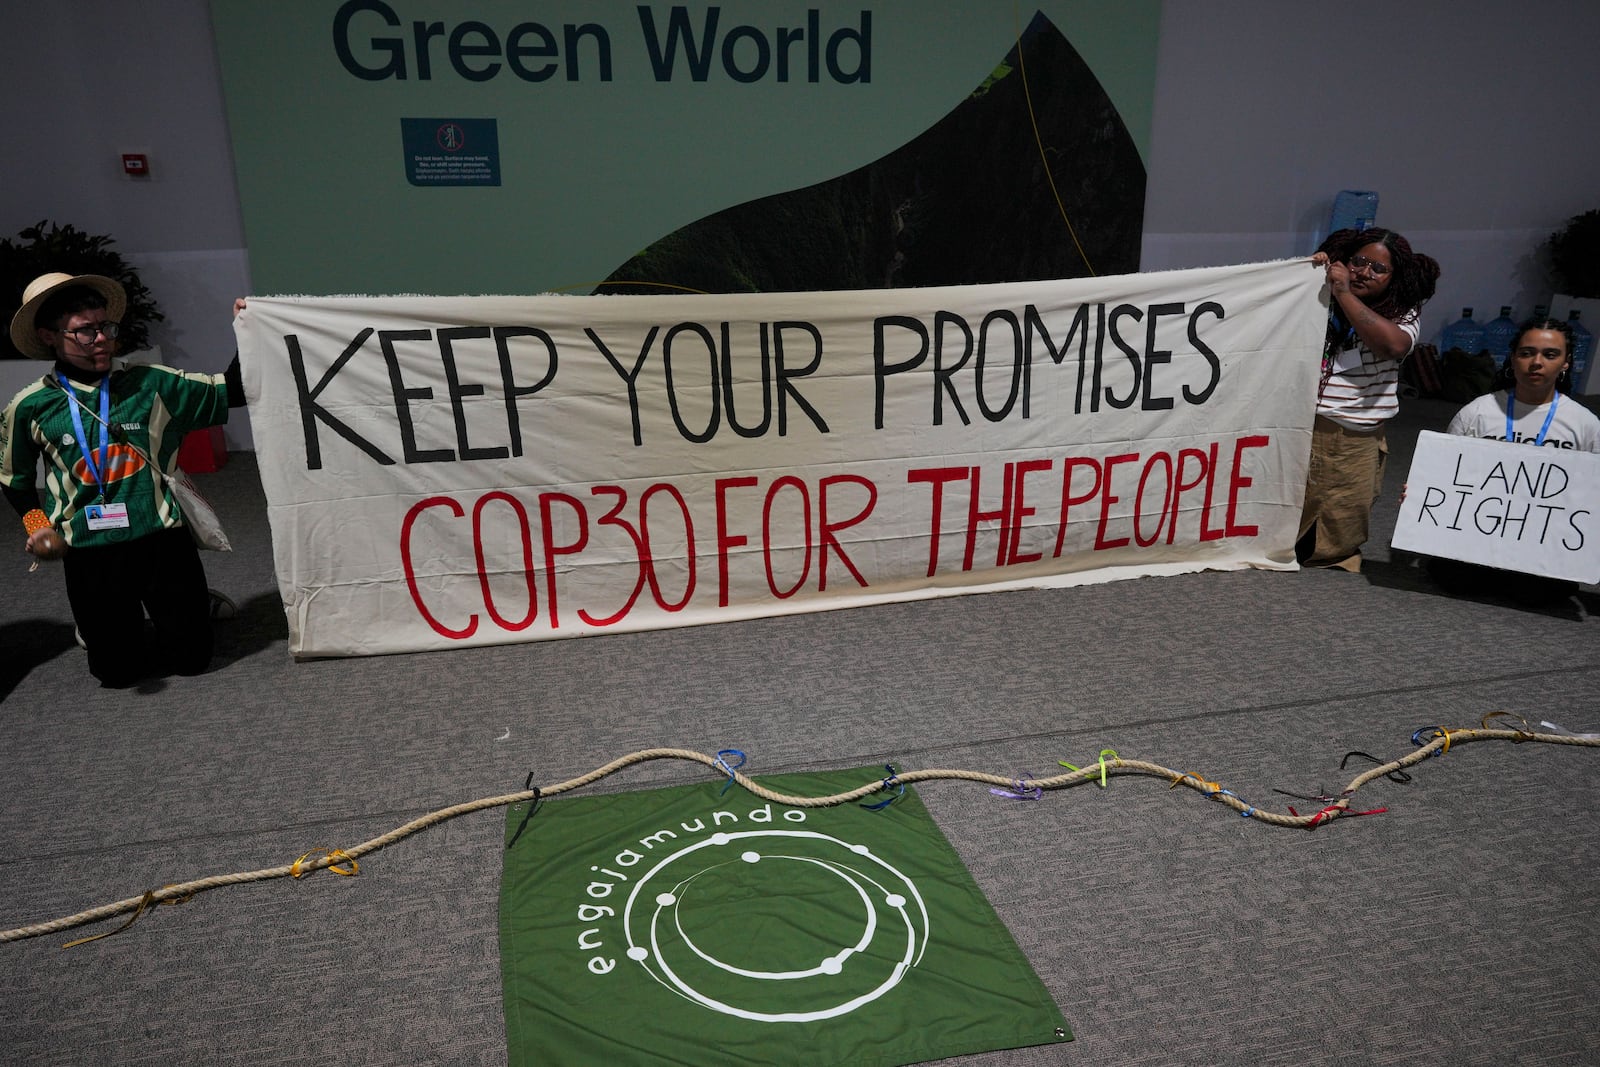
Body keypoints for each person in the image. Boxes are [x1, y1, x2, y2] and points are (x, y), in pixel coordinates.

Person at [2, 272, 246, 687]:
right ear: (49, 335)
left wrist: (247, 331)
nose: (101, 339)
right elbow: (15, 481)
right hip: (89, 550)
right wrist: (37, 526)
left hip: (161, 539)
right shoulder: (29, 406)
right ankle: (98, 628)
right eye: (85, 331)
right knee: (118, 674)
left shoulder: (150, 382)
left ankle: (190, 604)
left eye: (106, 327)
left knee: (193, 660)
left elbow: (234, 392)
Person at [1427, 317, 1600, 603]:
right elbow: (1445, 476)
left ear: (1566, 362)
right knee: (1453, 577)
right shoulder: (1477, 412)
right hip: (1480, 534)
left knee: (1545, 593)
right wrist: (1424, 493)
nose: (1536, 362)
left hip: (1544, 543)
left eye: (1550, 354)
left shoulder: (1585, 425)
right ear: (1513, 358)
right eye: (1527, 353)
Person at [1299, 227, 1440, 571]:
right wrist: (1309, 271)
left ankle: (1336, 554)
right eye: (1358, 261)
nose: (1364, 271)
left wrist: (1345, 292)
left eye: (1378, 268)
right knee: (1291, 502)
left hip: (1357, 433)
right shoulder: (1318, 296)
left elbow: (1391, 346)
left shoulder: (1403, 313)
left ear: (1395, 277)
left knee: (1345, 510)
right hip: (1304, 424)